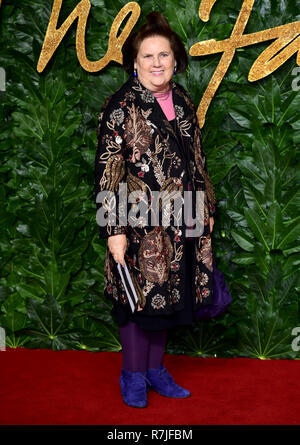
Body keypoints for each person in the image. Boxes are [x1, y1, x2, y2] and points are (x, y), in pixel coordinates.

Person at [94, 12, 217, 408]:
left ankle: (155, 371)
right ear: (135, 61)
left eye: (164, 55)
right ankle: (132, 376)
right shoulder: (120, 107)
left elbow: (196, 158)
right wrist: (113, 230)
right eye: (148, 56)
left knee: (167, 298)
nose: (157, 63)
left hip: (182, 219)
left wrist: (206, 205)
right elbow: (107, 173)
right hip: (137, 224)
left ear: (175, 60)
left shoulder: (181, 99)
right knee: (137, 303)